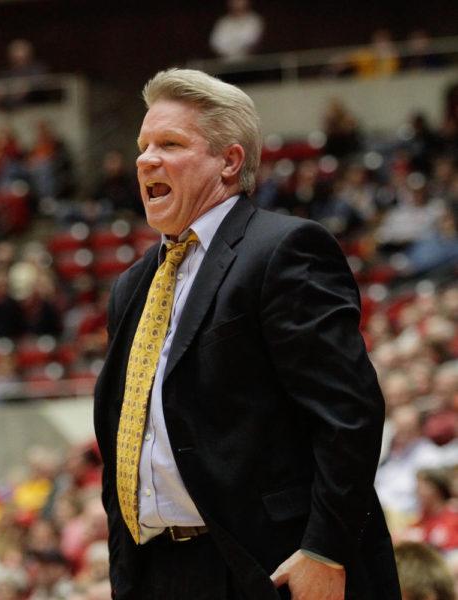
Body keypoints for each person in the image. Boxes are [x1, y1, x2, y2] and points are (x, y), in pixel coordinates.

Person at [92, 68, 399, 599]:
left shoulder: (285, 249)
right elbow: (126, 441)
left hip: (270, 564)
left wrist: (326, 548)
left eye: (170, 143)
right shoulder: (133, 286)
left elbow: (348, 414)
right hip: (162, 572)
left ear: (230, 162)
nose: (145, 160)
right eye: (143, 145)